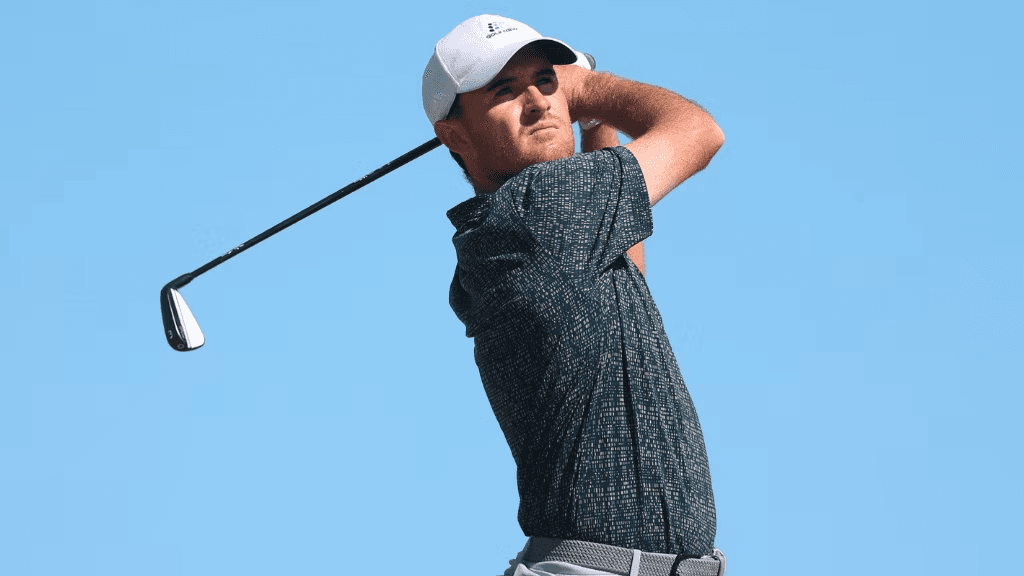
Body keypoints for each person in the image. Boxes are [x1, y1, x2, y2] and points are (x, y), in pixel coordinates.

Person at [422, 14, 726, 576]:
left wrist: (594, 126)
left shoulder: (527, 228)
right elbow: (699, 132)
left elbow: (624, 262)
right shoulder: (540, 206)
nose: (539, 101)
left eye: (545, 80)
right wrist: (588, 88)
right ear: (455, 136)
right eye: (505, 90)